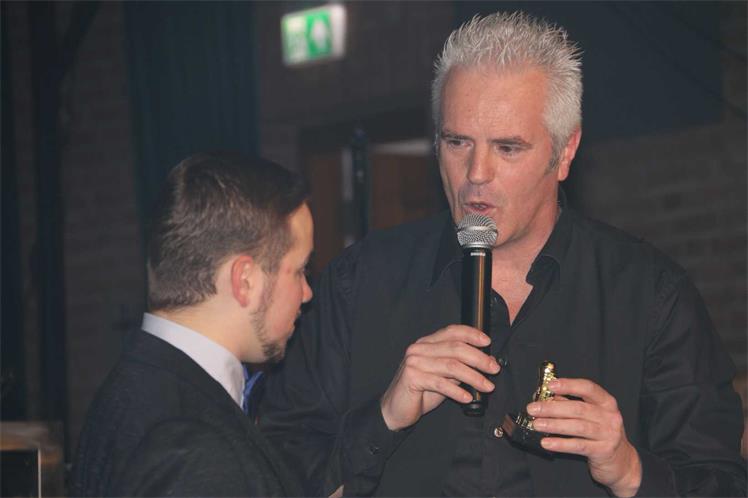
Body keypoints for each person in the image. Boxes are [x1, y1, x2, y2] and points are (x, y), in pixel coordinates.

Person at [259, 11, 746, 497]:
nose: (476, 173)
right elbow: (276, 474)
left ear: (565, 152)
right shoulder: (360, 281)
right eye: (457, 142)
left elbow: (721, 482)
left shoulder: (649, 294)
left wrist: (628, 469)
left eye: (508, 148)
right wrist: (384, 417)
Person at [72, 152, 313, 496]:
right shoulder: (193, 446)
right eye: (300, 270)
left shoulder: (135, 387)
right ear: (245, 280)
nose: (307, 292)